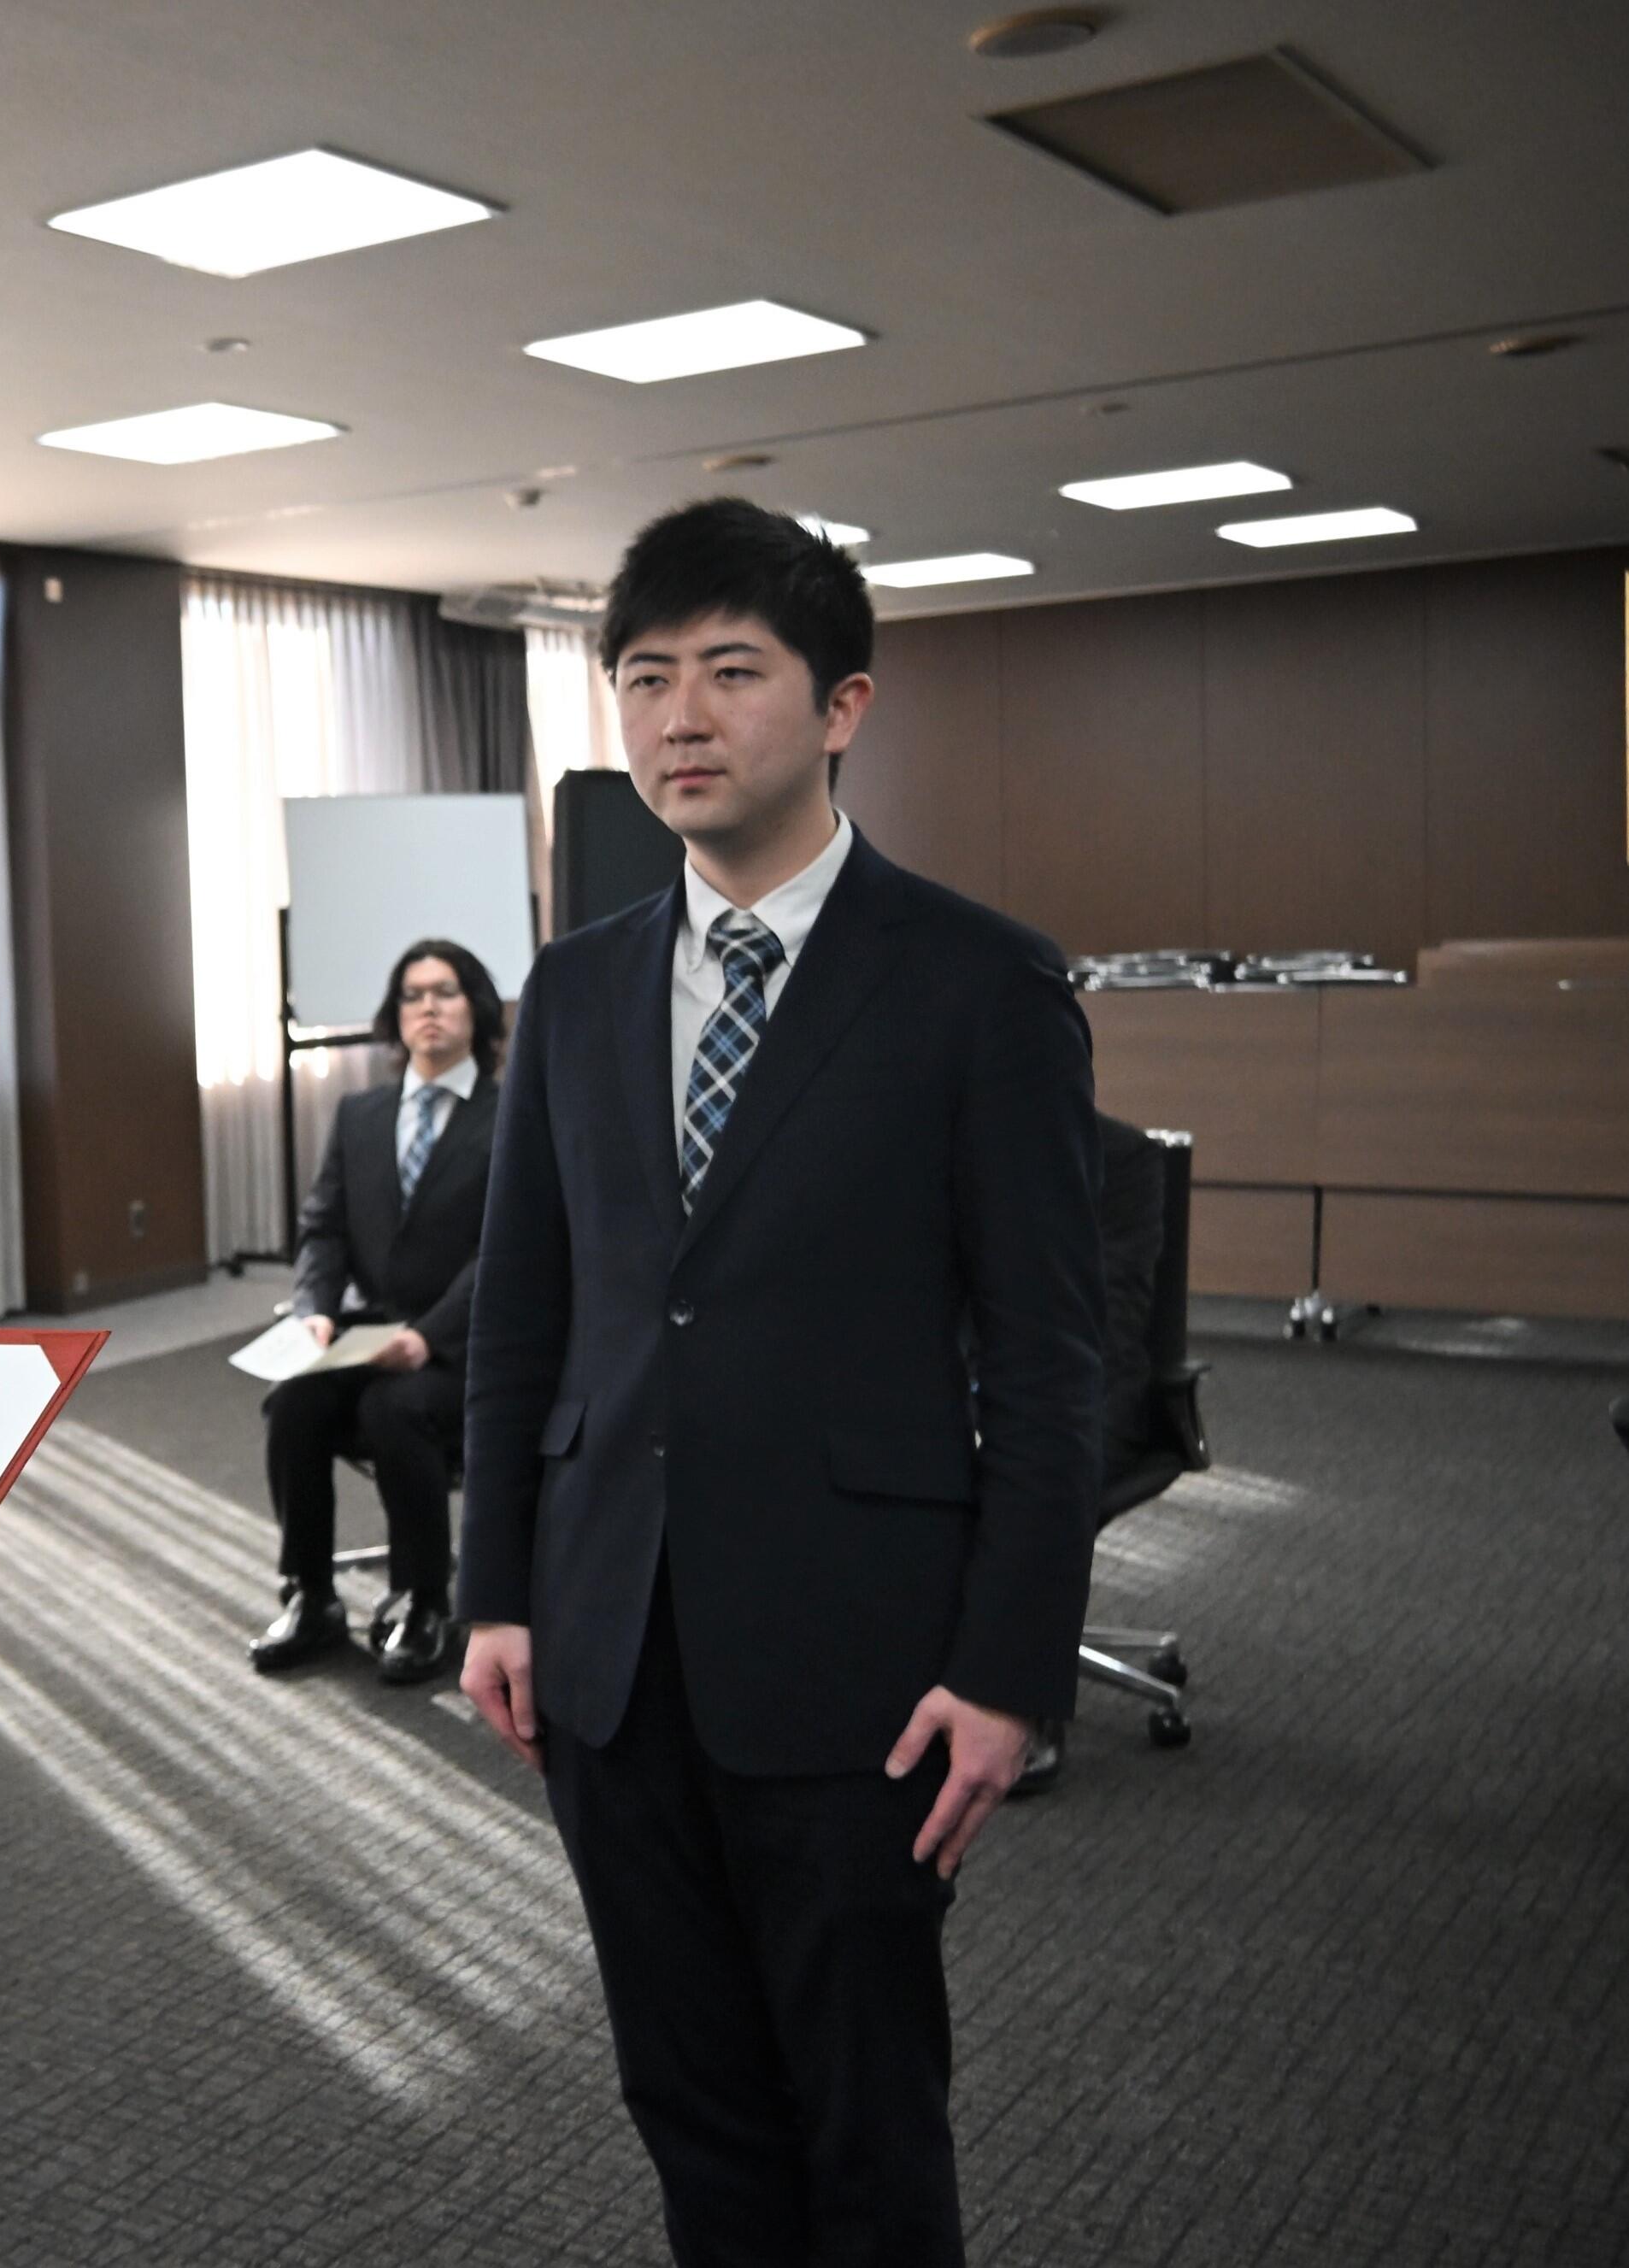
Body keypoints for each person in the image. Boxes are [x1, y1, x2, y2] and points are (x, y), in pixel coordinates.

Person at [456, 498, 1099, 2264]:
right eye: (646, 677)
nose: (680, 716)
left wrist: (1010, 1666)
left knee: (865, 2110)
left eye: (732, 670)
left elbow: (1053, 1362)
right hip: (607, 1649)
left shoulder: (980, 983)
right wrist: (497, 1588)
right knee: (689, 2102)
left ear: (842, 705)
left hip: (861, 1660)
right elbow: (527, 1320)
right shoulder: (575, 988)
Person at [250, 937, 501, 1686]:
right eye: (413, 994)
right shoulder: (360, 1114)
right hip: (366, 1332)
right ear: (396, 1016)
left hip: (466, 1342)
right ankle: (312, 1595)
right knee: (292, 1401)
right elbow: (322, 1228)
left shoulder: (513, 1111)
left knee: (397, 1411)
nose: (427, 1006)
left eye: (445, 992)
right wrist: (313, 1313)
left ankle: (427, 1601)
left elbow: (506, 1251)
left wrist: (428, 1338)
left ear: (476, 1009)